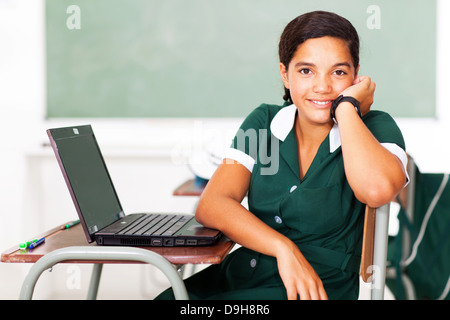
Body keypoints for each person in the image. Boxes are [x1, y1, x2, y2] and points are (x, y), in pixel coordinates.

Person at [156, 10, 408, 300]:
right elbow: (212, 204)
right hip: (244, 274)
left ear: (355, 76)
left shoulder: (375, 126)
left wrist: (347, 108)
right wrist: (284, 249)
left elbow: (377, 191)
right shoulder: (264, 122)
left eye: (338, 72)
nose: (323, 86)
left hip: (315, 289)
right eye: (306, 71)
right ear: (285, 75)